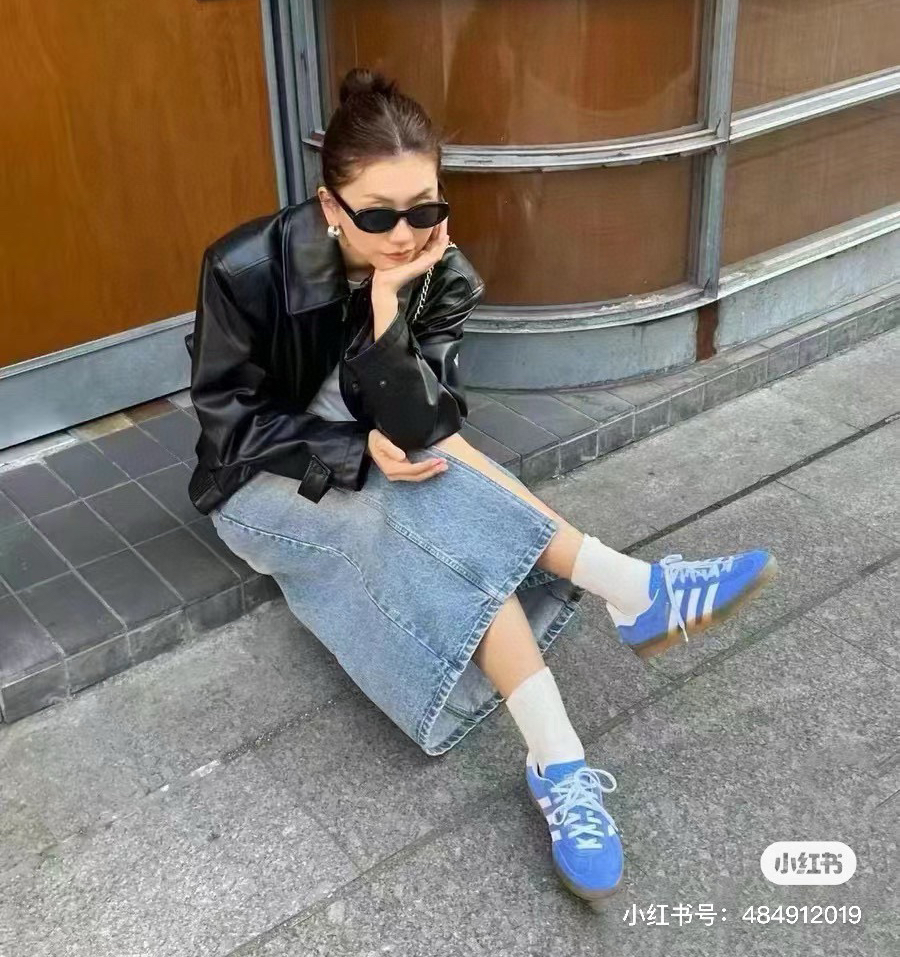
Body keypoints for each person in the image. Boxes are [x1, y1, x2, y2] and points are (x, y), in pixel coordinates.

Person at [185, 67, 778, 908]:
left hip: (385, 445)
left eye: (423, 209)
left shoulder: (441, 271)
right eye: (377, 215)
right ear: (329, 206)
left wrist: (387, 308)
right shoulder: (243, 268)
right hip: (261, 480)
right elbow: (230, 427)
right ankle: (632, 592)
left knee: (435, 481)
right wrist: (352, 450)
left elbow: (426, 423)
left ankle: (559, 759)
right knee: (416, 504)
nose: (404, 234)